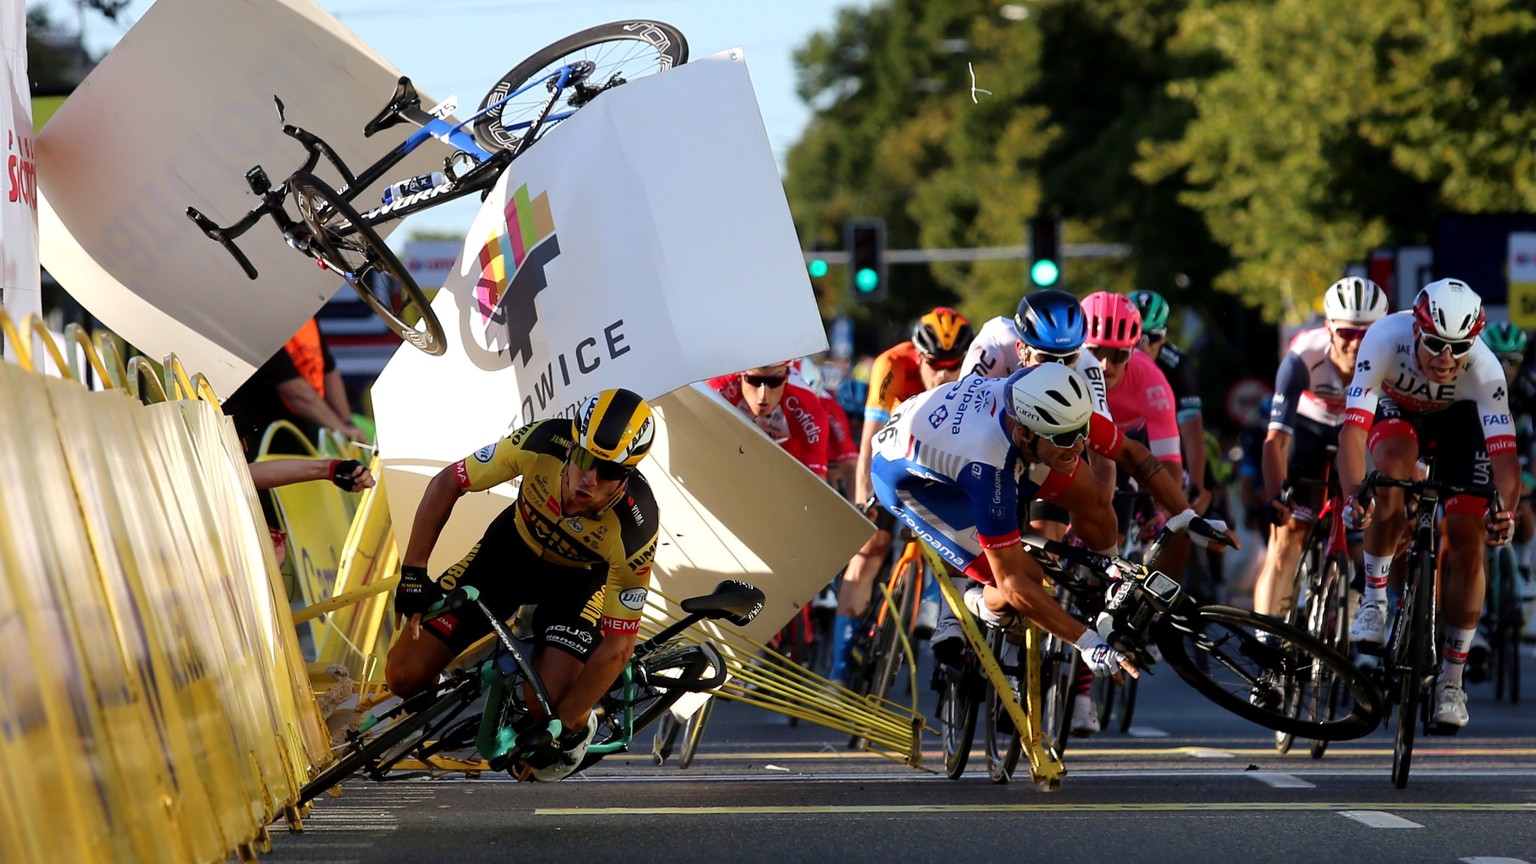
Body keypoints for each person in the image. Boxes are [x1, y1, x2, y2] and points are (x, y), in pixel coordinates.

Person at [386, 388, 659, 780]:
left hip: (578, 584)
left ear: (627, 475)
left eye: (610, 472)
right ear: (572, 446)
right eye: (584, 459)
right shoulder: (542, 441)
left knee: (545, 708)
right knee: (403, 676)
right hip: (508, 554)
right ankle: (450, 686)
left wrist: (562, 727)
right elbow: (449, 481)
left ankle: (576, 712)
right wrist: (413, 571)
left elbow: (619, 646)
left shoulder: (636, 526)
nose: (589, 479)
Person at [869, 363, 1138, 682]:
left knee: (1090, 496)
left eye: (1082, 434)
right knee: (1026, 580)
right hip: (911, 482)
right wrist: (1088, 643)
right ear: (1026, 431)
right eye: (1066, 437)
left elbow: (1129, 459)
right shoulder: (987, 467)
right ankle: (979, 603)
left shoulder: (1036, 401)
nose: (1080, 446)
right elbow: (1013, 582)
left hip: (959, 437)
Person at [1339, 279, 1520, 728]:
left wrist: (1506, 512)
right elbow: (1353, 432)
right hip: (1400, 415)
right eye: (1435, 343)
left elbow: (1504, 455)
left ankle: (1452, 682)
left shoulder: (1485, 368)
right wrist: (1351, 495)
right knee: (1393, 474)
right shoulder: (1383, 338)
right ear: (1416, 330)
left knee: (1467, 537)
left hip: (1462, 429)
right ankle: (1376, 599)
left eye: (1458, 348)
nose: (1445, 358)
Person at [827, 308, 974, 685]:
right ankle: (839, 668)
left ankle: (931, 605)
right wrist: (863, 504)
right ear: (918, 355)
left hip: (940, 462)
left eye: (953, 364)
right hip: (890, 458)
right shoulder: (891, 364)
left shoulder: (974, 374)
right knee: (869, 550)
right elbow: (868, 443)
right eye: (936, 364)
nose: (943, 374)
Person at [1252, 277, 1389, 626]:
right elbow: (1276, 441)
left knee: (1386, 516)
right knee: (1288, 535)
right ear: (1328, 327)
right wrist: (1274, 496)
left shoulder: (1393, 359)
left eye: (1368, 333)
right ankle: (1267, 636)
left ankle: (1361, 602)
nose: (1357, 344)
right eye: (1347, 333)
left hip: (1360, 430)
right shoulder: (1303, 356)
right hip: (1309, 428)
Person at [222, 317, 367, 460]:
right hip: (265, 446)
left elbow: (328, 369)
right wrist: (341, 428)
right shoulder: (262, 321)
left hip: (302, 445)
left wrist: (347, 423)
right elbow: (295, 391)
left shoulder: (308, 317)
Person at [1129, 290, 1209, 510]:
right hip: (1125, 438)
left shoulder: (1177, 365)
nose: (1142, 347)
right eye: (1135, 337)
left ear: (1163, 337)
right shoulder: (1108, 358)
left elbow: (1192, 429)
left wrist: (1196, 483)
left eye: (1152, 338)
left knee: (1175, 505)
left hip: (1166, 440)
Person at [709, 361, 831, 480]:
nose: (763, 395)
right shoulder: (719, 388)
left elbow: (816, 480)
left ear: (787, 377)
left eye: (775, 381)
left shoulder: (807, 408)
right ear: (739, 375)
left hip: (784, 451)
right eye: (754, 380)